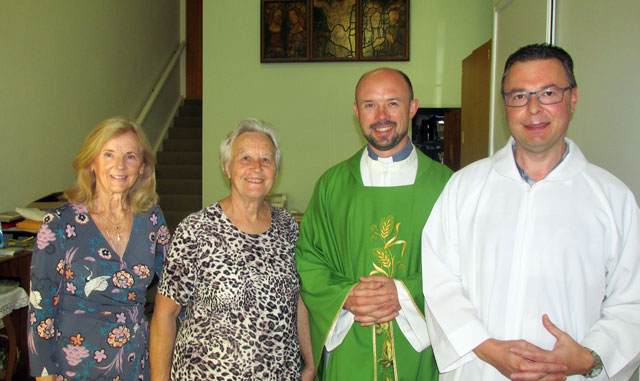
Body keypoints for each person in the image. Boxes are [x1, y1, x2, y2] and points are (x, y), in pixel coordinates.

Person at [421, 43, 640, 380]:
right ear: (505, 104)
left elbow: (632, 304)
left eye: (549, 93)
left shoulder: (613, 200)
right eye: (519, 96)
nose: (534, 109)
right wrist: (490, 349)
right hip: (481, 372)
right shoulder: (464, 188)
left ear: (573, 98)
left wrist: (588, 358)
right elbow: (440, 286)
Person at [296, 68, 453, 380]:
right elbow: (310, 258)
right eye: (370, 105)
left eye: (392, 103)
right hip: (351, 340)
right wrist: (347, 296)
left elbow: (462, 267)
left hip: (419, 350)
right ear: (356, 112)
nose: (381, 115)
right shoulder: (332, 185)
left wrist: (405, 293)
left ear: (412, 107)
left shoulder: (447, 186)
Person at [149, 119, 314, 380]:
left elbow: (298, 302)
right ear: (227, 167)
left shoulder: (289, 229)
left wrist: (310, 363)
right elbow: (164, 316)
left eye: (266, 160)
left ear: (276, 170)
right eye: (245, 158)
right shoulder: (196, 230)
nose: (256, 168)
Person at [28, 117, 171, 380]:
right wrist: (44, 375)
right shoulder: (60, 223)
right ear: (92, 163)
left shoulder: (150, 218)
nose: (120, 165)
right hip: (76, 364)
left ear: (142, 167)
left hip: (135, 360)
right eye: (109, 154)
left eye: (130, 156)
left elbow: (176, 285)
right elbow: (41, 307)